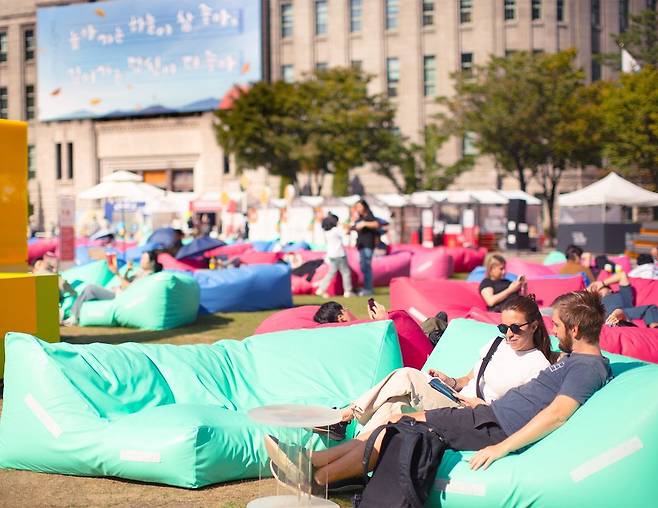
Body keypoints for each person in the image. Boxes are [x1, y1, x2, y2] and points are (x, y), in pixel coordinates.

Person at [266, 290, 612, 491]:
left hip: (490, 420)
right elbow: (480, 379)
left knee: (399, 416)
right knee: (393, 417)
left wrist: (502, 447)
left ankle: (318, 475)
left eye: (558, 326)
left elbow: (557, 413)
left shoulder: (582, 366)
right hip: (482, 414)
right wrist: (452, 383)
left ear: (576, 329)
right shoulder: (571, 359)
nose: (554, 331)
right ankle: (313, 464)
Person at [314, 295, 553, 441]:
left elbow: (524, 412)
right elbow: (470, 378)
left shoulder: (537, 365)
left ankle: (343, 417)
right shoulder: (496, 344)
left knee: (407, 375)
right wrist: (450, 381)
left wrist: (487, 407)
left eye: (516, 328)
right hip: (456, 398)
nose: (509, 334)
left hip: (477, 416)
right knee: (393, 406)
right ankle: (356, 461)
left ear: (533, 326)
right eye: (503, 328)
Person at [64, 250, 163, 326]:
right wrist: (128, 271)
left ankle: (74, 317)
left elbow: (130, 289)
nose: (141, 261)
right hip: (118, 292)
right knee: (88, 290)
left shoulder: (148, 276)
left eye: (144, 259)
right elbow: (126, 282)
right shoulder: (140, 272)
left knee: (90, 289)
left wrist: (116, 273)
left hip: (120, 296)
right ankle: (73, 315)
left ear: (152, 262)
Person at [588, 270, 658, 328]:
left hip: (625, 313)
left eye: (601, 289)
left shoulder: (621, 294)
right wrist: (589, 289)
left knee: (651, 308)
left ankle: (654, 331)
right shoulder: (595, 301)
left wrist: (602, 283)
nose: (598, 289)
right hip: (602, 319)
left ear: (610, 290)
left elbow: (622, 275)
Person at [315, 213, 354, 298]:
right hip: (340, 254)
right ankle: (348, 291)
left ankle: (321, 289)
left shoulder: (326, 232)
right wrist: (346, 225)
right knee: (346, 273)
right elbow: (346, 232)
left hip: (331, 255)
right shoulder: (336, 230)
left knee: (331, 273)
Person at [352, 199, 380, 296]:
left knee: (367, 267)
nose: (358, 209)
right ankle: (366, 287)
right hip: (361, 245)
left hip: (368, 245)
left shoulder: (369, 216)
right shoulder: (359, 218)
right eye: (357, 207)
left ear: (364, 206)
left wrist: (364, 224)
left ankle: (368, 289)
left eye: (359, 206)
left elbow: (376, 224)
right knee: (363, 267)